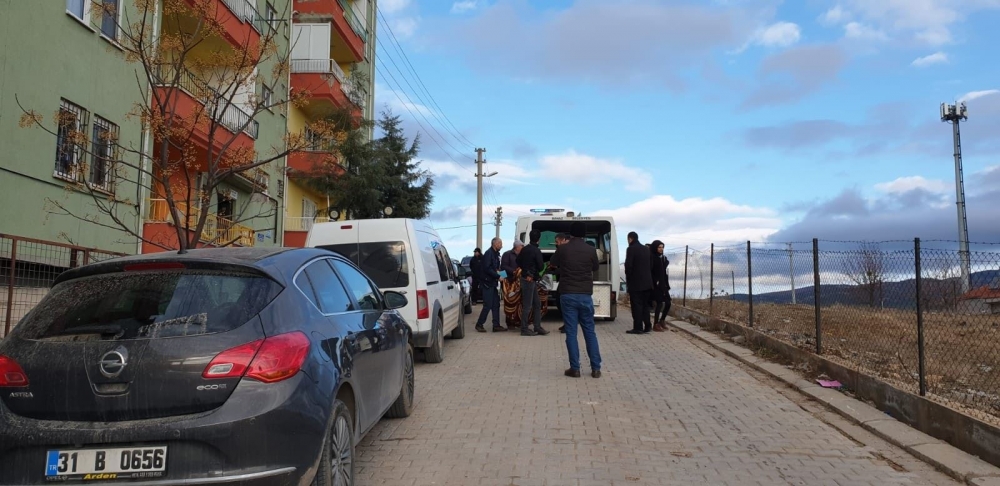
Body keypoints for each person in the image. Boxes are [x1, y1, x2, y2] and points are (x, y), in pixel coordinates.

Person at [550, 222, 602, 378]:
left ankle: (575, 368)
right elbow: (595, 268)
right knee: (589, 332)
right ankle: (596, 368)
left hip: (568, 294)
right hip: (585, 294)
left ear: (570, 234)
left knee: (571, 332)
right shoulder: (591, 249)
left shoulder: (563, 249)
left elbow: (553, 263)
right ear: (584, 234)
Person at [517, 230, 549, 336]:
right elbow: (540, 266)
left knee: (536, 303)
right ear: (539, 239)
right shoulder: (536, 251)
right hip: (530, 280)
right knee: (528, 305)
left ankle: (537, 326)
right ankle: (524, 329)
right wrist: (530, 274)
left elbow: (518, 261)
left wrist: (526, 272)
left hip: (527, 279)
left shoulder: (524, 249)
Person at [475, 238, 506, 332]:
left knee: (496, 304)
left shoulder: (495, 254)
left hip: (492, 283)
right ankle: (479, 324)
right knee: (488, 305)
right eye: (500, 243)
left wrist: (503, 275)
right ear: (495, 244)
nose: (501, 246)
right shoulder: (489, 253)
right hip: (487, 283)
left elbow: (495, 268)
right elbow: (487, 269)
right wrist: (498, 276)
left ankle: (496, 325)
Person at [625, 231, 653, 334]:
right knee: (645, 305)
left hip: (636, 284)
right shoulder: (646, 249)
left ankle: (638, 327)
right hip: (647, 283)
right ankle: (648, 325)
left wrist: (629, 278)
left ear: (630, 239)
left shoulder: (631, 249)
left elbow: (628, 266)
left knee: (636, 305)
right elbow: (651, 265)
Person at [501, 241, 524, 329]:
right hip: (508, 282)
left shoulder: (522, 255)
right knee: (509, 302)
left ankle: (517, 321)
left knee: (518, 302)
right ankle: (509, 322)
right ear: (517, 247)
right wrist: (514, 272)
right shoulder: (507, 254)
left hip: (518, 282)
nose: (522, 248)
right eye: (522, 246)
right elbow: (503, 267)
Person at [649, 240, 671, 332]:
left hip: (663, 284)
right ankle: (656, 324)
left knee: (668, 302)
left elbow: (664, 272)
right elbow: (651, 271)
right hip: (656, 285)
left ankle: (662, 320)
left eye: (662, 247)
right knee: (659, 303)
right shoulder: (652, 258)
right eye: (659, 247)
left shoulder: (663, 258)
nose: (661, 249)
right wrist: (656, 281)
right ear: (655, 248)